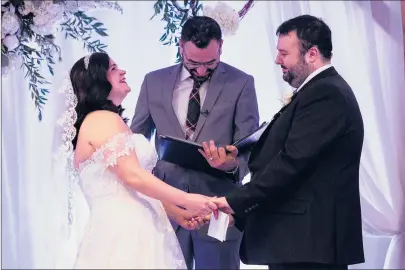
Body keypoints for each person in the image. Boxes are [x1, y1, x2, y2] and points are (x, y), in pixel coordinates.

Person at [210, 15, 365, 270]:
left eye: (284, 53)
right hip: (299, 242)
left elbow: (291, 162)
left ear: (312, 54)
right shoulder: (317, 91)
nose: (277, 60)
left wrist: (235, 201)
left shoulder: (326, 94)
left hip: (308, 243)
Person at [50, 52, 217, 269]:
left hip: (139, 228)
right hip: (124, 233)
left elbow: (134, 185)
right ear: (98, 82)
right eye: (113, 68)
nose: (122, 71)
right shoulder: (101, 119)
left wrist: (177, 212)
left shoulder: (109, 121)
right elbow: (132, 176)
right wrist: (187, 200)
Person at [130, 16, 259, 269]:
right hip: (165, 210)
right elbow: (136, 141)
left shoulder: (242, 83)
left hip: (218, 210)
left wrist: (229, 165)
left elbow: (250, 150)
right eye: (193, 62)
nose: (201, 71)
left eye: (210, 62)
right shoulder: (152, 82)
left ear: (221, 46)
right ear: (180, 46)